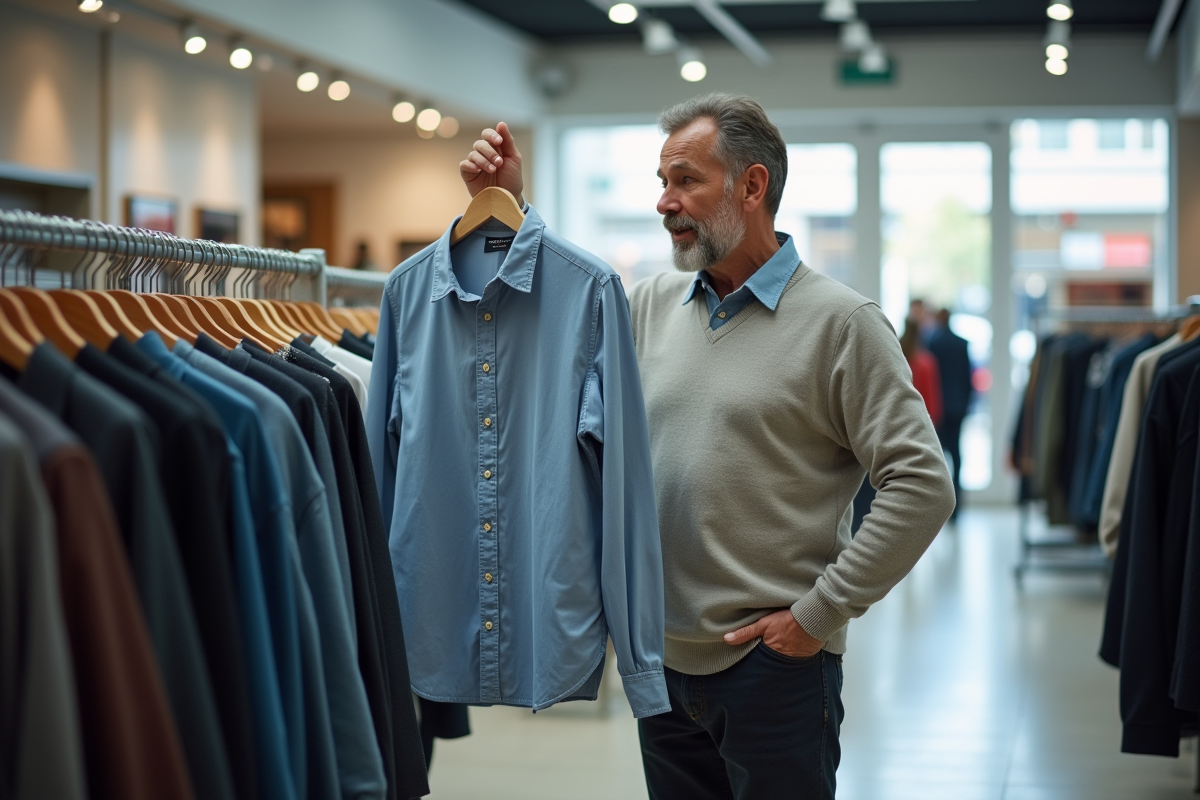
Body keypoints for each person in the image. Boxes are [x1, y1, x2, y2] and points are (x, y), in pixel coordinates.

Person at [460, 96, 954, 800]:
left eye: (685, 180)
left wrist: (819, 614)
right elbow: (544, 347)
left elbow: (922, 483)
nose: (665, 202)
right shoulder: (647, 306)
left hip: (774, 667)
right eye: (661, 181)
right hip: (659, 663)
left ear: (752, 187)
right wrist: (507, 210)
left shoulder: (842, 324)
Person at [926, 308, 973, 520]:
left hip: (937, 409)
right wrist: (966, 405)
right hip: (957, 407)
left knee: (938, 457)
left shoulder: (932, 344)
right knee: (957, 456)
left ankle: (938, 507)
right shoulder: (962, 344)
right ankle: (957, 507)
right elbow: (968, 379)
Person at [900, 316, 944, 428]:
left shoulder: (899, 358)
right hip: (921, 419)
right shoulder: (926, 362)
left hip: (901, 418)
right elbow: (931, 397)